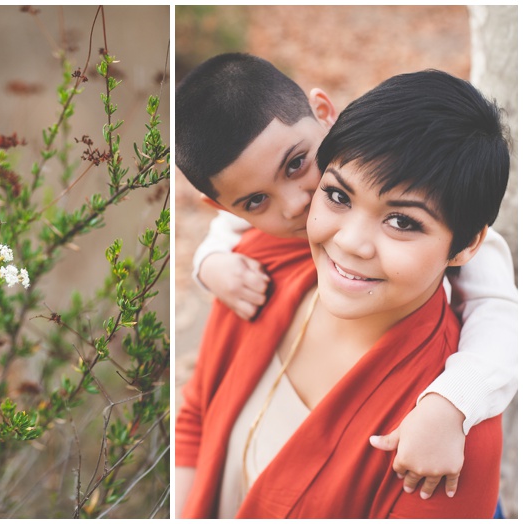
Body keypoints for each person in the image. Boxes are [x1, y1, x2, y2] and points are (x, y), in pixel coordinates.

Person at [175, 53, 517, 505]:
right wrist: (209, 261)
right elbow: (197, 414)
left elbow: (502, 314)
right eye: (337, 195)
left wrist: (453, 400)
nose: (295, 205)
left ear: (324, 115)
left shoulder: (443, 436)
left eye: (402, 222)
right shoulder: (253, 266)